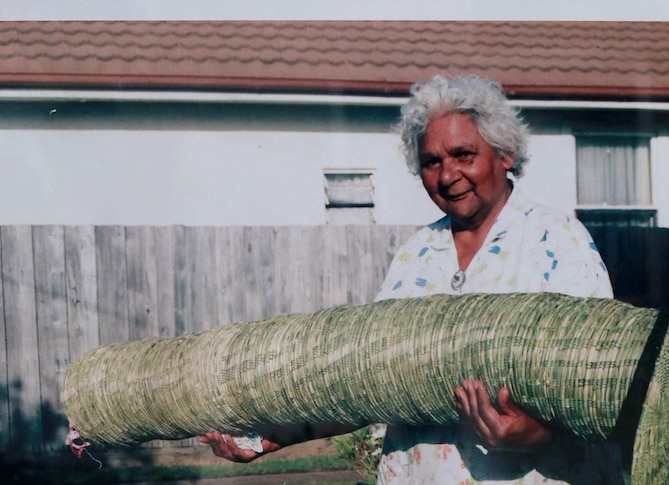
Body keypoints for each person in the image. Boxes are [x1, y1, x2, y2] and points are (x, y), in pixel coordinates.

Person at [201, 74, 621, 484]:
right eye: (431, 162)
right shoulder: (417, 253)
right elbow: (370, 382)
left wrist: (538, 435)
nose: (447, 175)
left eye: (464, 155)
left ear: (505, 154)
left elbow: (601, 387)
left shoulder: (556, 240)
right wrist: (271, 437)